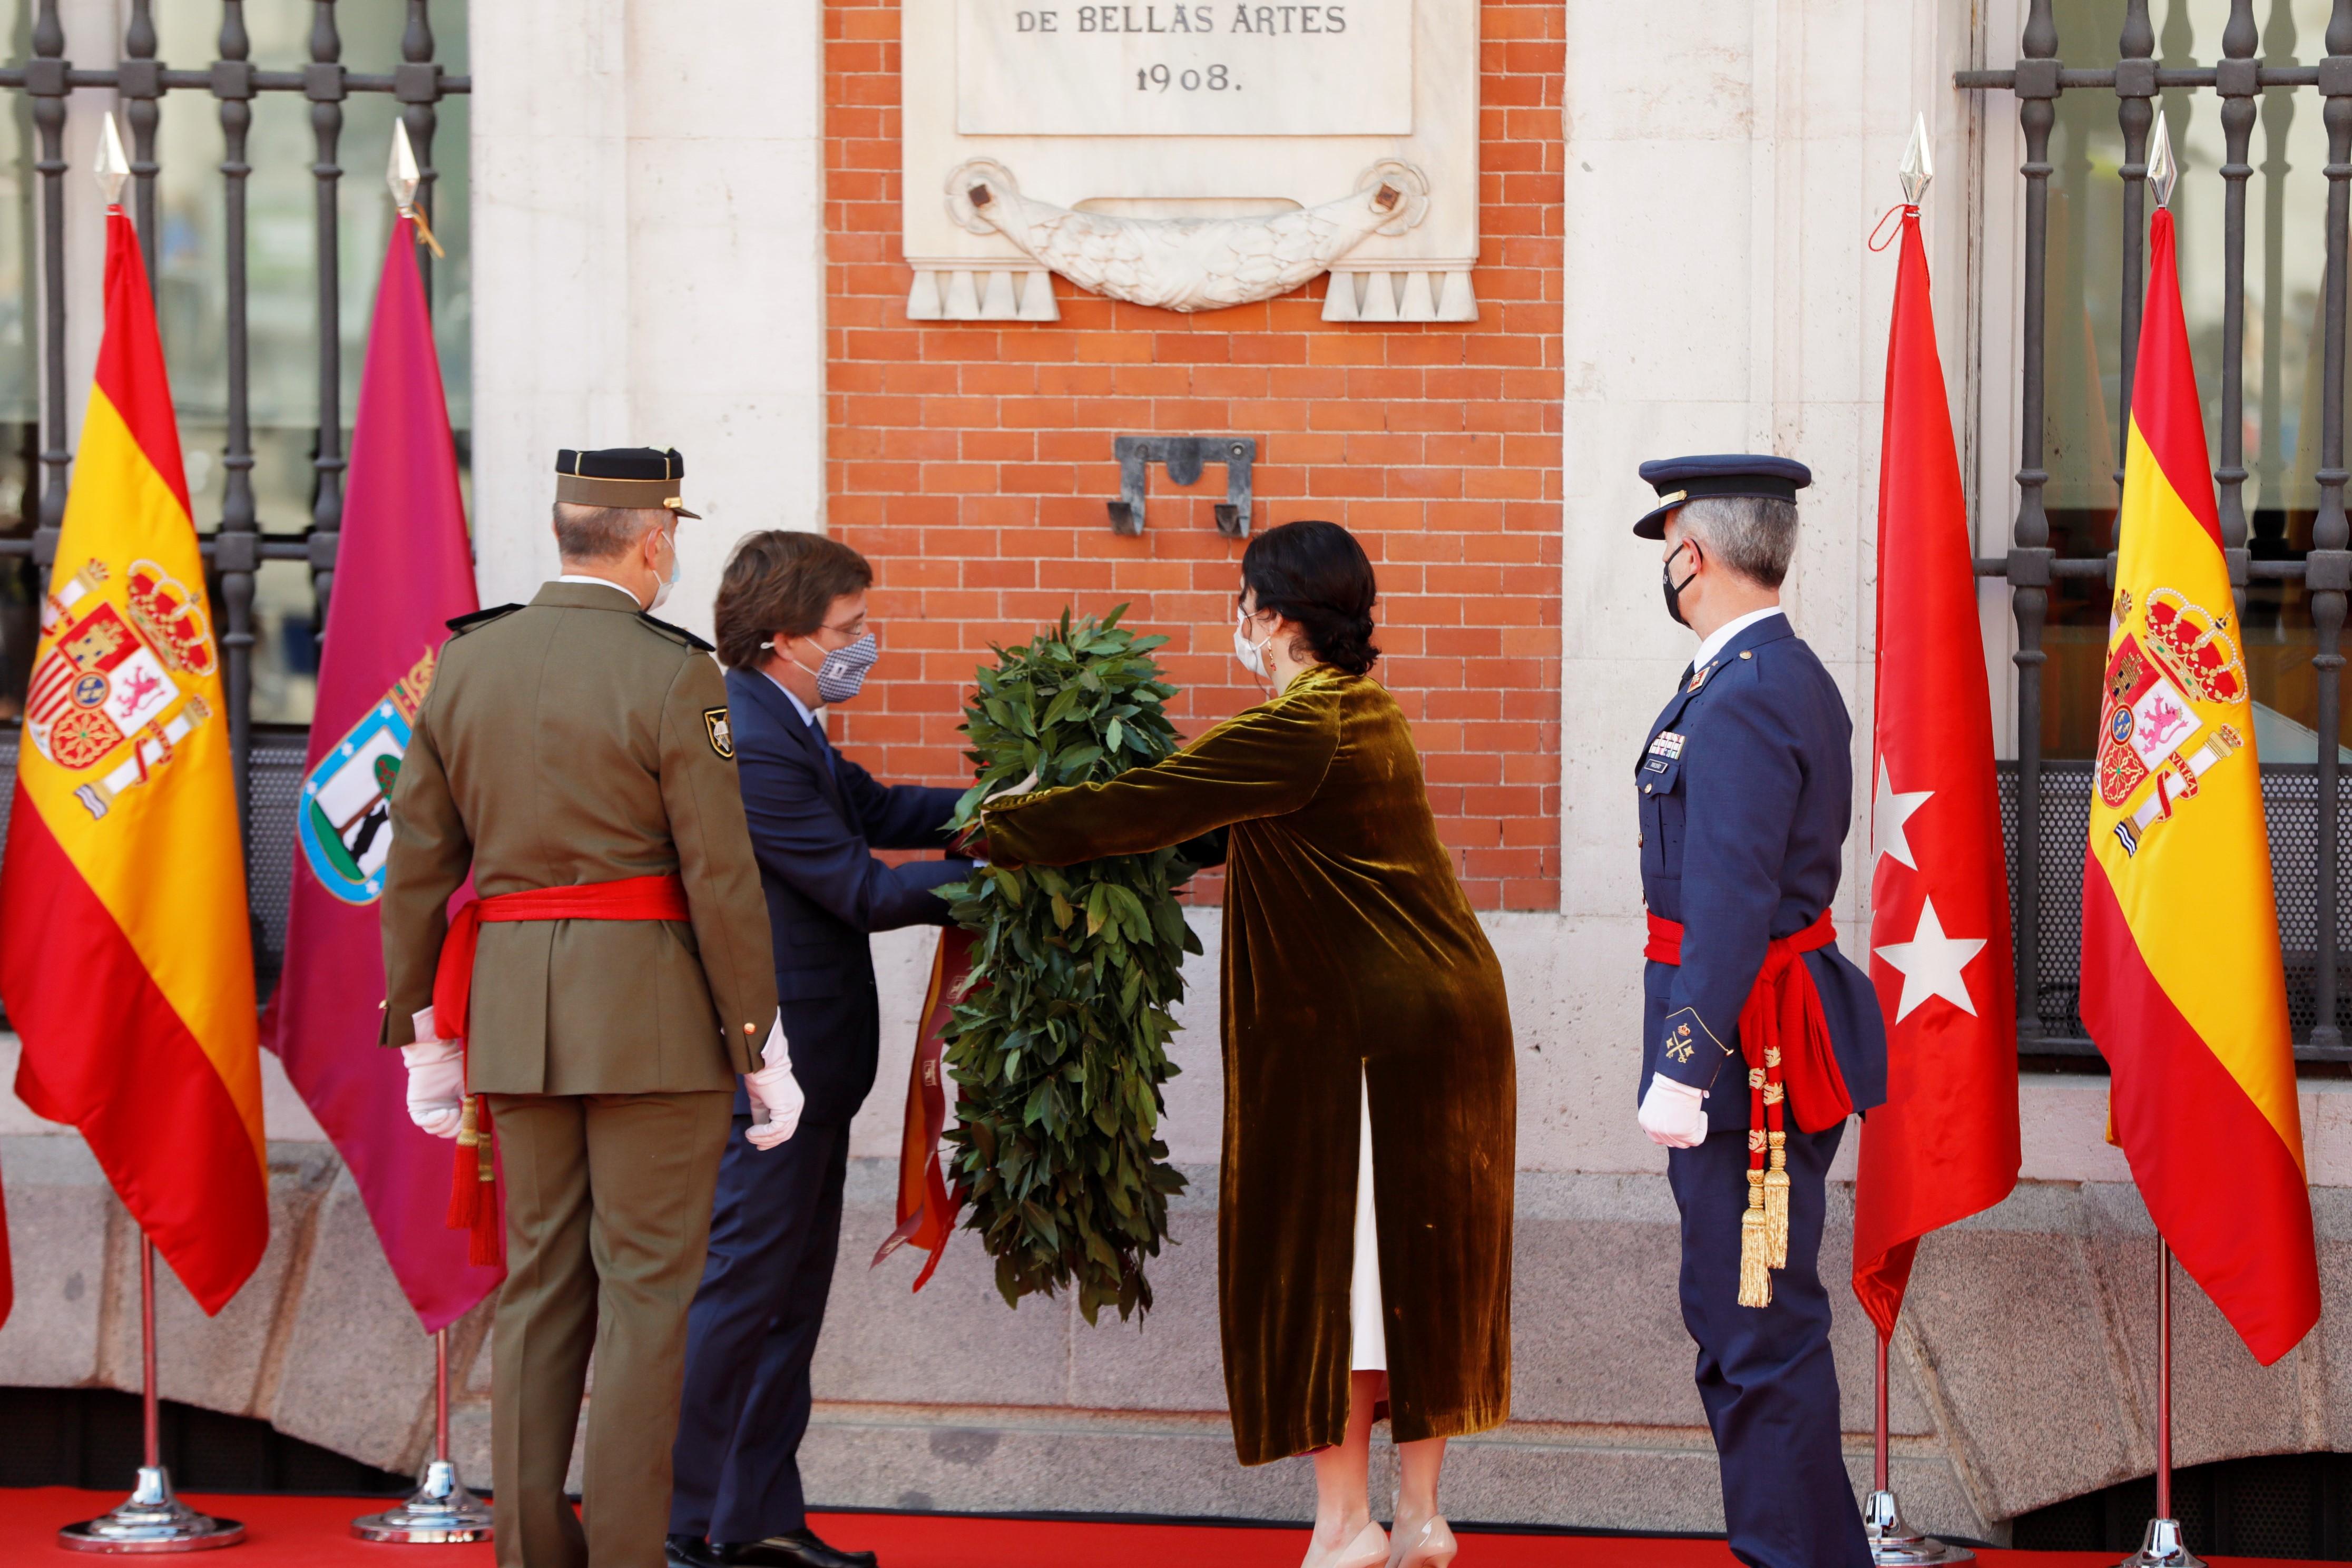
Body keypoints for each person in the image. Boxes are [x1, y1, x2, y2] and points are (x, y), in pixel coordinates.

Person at [981, 520, 1514, 1568]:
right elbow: (1218, 828)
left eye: (1243, 604)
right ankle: (1418, 1515)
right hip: (1438, 1029)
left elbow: (1154, 802)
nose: (1238, 624)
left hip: (1362, 1041)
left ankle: (1339, 1526)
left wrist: (1004, 826)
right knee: (1407, 1268)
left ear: (1273, 616)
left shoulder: (1302, 724)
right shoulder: (1370, 716)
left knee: (1319, 1270)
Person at [383, 446, 803, 1568]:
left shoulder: (467, 662)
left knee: (536, 1296)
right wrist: (761, 1046)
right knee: (647, 1300)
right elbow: (720, 876)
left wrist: (424, 1031)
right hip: (653, 1025)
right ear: (655, 539)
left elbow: (417, 860)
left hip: (515, 1020)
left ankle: (531, 1554)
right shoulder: (675, 672)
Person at [665, 533, 971, 1568]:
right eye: (846, 631)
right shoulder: (744, 736)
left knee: (787, 1303)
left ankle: (754, 1516)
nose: (861, 646)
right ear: (784, 636)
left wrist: (1015, 810)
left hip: (818, 1071)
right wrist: (1021, 879)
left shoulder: (781, 719)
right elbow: (862, 887)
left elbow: (879, 810)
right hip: (772, 1076)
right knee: (742, 1296)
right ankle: (680, 1527)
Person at [1628, 455, 1887, 1568]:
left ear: (1696, 552)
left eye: (1671, 541)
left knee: (1756, 1330)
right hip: (1754, 1054)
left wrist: (1685, 1066)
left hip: (1752, 1070)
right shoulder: (1749, 675)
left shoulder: (1747, 690)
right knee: (1745, 1324)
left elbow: (1731, 904)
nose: (1670, 563)